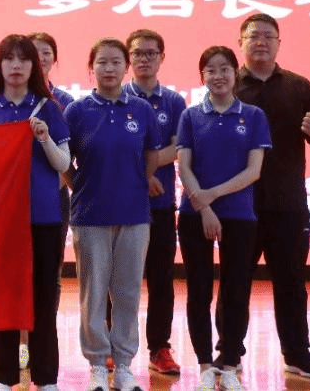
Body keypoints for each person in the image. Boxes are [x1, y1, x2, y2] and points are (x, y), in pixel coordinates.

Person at [232, 13, 310, 379]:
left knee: (291, 283)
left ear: (279, 43)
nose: (261, 41)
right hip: (239, 204)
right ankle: (229, 353)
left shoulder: (299, 86)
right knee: (235, 283)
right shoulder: (229, 86)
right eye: (253, 36)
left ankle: (297, 354)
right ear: (240, 42)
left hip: (288, 204)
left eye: (268, 36)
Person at [64, 38, 163, 391]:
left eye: (116, 62)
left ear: (126, 67)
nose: (109, 68)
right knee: (93, 294)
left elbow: (151, 155)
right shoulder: (76, 111)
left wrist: (139, 182)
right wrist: (79, 186)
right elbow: (64, 161)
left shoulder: (142, 110)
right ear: (92, 68)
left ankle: (123, 365)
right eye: (102, 62)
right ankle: (96, 364)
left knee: (127, 293)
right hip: (90, 215)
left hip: (134, 215)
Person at [0, 35, 70, 391]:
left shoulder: (49, 108)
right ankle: (3, 377)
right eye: (9, 59)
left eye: (23, 59)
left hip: (43, 217)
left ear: (34, 66)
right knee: (2, 301)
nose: (16, 66)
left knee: (43, 299)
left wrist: (44, 139)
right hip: (1, 221)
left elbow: (63, 163)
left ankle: (46, 378)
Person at [177, 46, 270, 391]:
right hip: (194, 214)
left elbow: (254, 171)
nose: (218, 76)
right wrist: (203, 208)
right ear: (202, 77)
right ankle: (205, 365)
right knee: (199, 291)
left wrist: (212, 196)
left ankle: (229, 363)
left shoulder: (253, 116)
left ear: (235, 73)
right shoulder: (190, 116)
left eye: (225, 69)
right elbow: (184, 167)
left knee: (236, 290)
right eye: (211, 70)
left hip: (239, 215)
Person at [122, 30, 186, 376]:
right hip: (123, 205)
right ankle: (116, 348)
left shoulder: (174, 102)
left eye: (150, 53)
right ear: (128, 58)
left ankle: (159, 347)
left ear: (162, 57)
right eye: (137, 53)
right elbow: (116, 147)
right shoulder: (118, 97)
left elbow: (179, 148)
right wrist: (143, 175)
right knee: (120, 282)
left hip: (160, 206)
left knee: (161, 281)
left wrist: (145, 166)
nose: (144, 59)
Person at [26, 31, 74, 372]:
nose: (40, 58)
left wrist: (55, 183)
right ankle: (20, 342)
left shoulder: (65, 102)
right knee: (17, 272)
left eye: (46, 53)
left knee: (49, 274)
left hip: (55, 197)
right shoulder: (9, 98)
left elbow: (70, 154)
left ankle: (41, 339)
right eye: (33, 52)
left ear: (54, 59)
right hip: (15, 201)